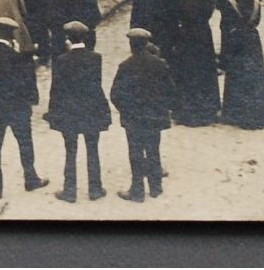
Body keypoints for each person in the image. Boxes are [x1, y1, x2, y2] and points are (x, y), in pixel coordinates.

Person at [0, 17, 47, 200]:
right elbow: (24, 81)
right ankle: (30, 178)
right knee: (25, 143)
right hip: (17, 107)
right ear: (12, 35)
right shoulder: (19, 58)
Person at [45, 20, 110, 202]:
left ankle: (70, 190)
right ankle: (95, 189)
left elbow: (56, 89)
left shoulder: (61, 61)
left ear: (68, 39)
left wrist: (53, 112)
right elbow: (96, 86)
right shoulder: (95, 58)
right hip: (91, 110)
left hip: (69, 112)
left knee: (70, 151)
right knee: (93, 149)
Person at [110, 27, 173, 202]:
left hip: (134, 118)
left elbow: (115, 94)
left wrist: (126, 110)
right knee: (153, 150)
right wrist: (162, 108)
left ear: (131, 45)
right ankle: (156, 187)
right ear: (146, 44)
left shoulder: (125, 66)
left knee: (135, 153)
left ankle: (137, 190)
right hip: (154, 117)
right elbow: (170, 91)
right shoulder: (160, 64)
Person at [218, 0, 264, 129]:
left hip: (236, 40)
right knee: (254, 75)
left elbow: (224, 26)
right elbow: (257, 21)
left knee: (236, 75)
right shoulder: (255, 0)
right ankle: (258, 113)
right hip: (252, 40)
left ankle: (235, 113)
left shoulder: (231, 2)